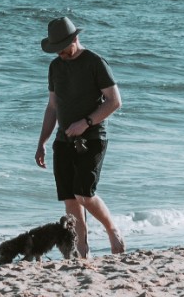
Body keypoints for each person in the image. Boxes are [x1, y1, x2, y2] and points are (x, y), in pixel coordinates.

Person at [35, 15, 125, 257]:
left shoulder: (95, 63)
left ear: (75, 38)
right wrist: (42, 142)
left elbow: (114, 101)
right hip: (63, 140)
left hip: (92, 138)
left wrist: (85, 123)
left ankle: (112, 230)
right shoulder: (55, 66)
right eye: (55, 50)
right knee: (69, 198)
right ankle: (81, 249)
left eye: (62, 48)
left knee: (84, 193)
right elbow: (52, 107)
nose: (59, 54)